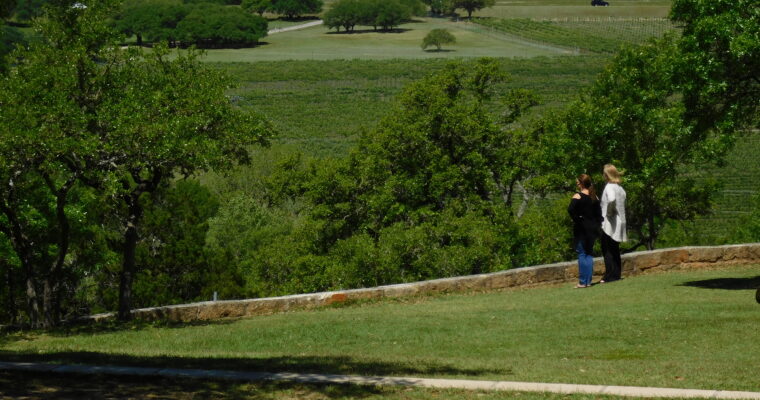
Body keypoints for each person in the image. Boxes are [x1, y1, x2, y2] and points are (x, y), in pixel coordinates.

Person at [568, 174, 601, 288]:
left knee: (582, 254)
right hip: (592, 230)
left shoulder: (578, 196)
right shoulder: (594, 197)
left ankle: (582, 282)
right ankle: (588, 281)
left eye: (577, 183)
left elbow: (570, 210)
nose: (577, 185)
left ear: (581, 183)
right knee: (589, 254)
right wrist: (596, 225)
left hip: (581, 229)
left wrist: (578, 219)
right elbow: (599, 215)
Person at [600, 164, 627, 283]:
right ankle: (616, 274)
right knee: (615, 249)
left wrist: (608, 213)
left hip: (609, 222)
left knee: (607, 249)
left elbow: (611, 199)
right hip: (620, 221)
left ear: (606, 175)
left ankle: (609, 275)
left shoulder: (609, 187)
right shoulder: (620, 188)